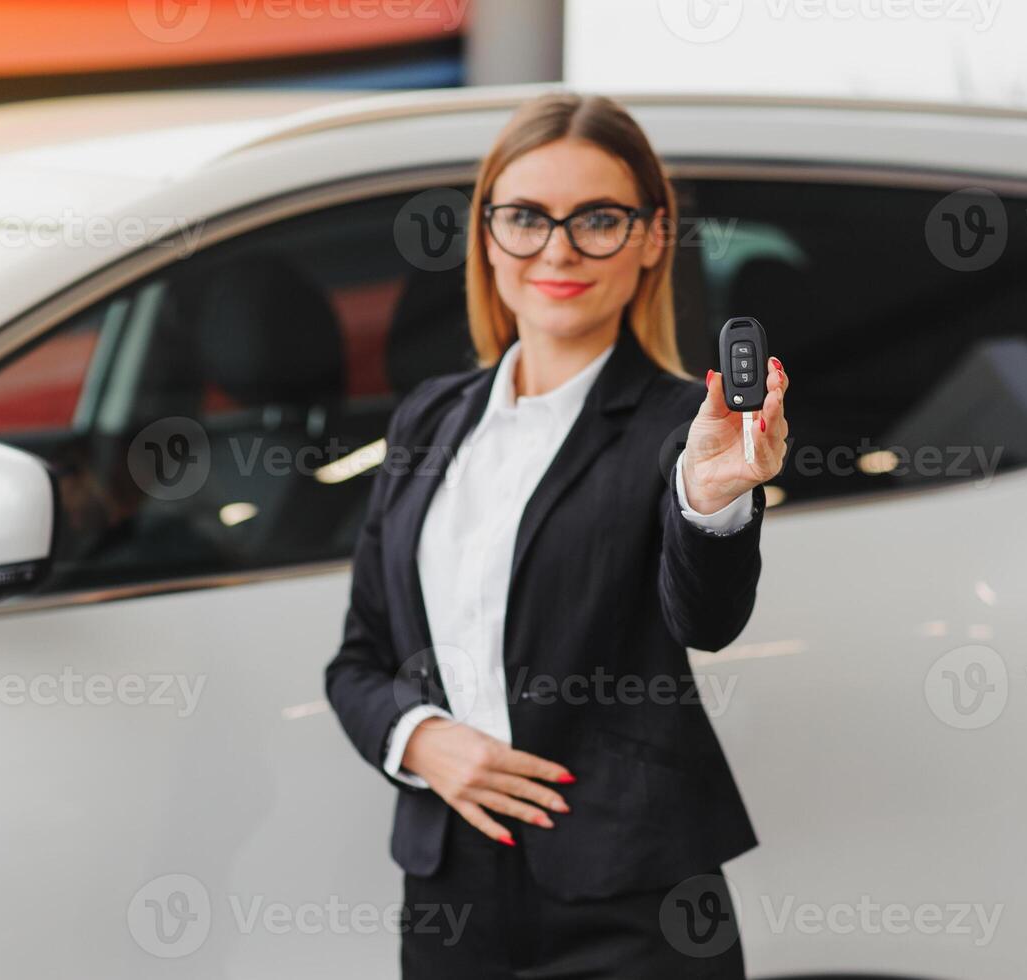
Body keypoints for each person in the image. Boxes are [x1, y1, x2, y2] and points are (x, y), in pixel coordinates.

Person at [324, 90, 790, 979]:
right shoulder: (428, 420)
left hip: (630, 899)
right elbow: (357, 661)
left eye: (598, 220)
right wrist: (422, 739)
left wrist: (711, 495)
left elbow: (706, 618)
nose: (558, 249)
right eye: (526, 218)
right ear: (486, 234)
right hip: (449, 891)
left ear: (652, 237)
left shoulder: (681, 431)